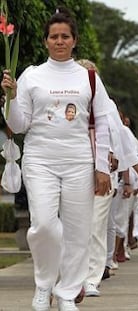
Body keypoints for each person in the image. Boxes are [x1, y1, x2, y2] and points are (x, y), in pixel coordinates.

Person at [0, 8, 113, 311]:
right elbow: (19, 124)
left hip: (78, 160)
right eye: (54, 37)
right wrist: (7, 99)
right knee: (45, 226)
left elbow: (103, 123)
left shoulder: (88, 77)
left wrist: (102, 168)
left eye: (65, 36)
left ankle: (66, 294)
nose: (59, 41)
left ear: (74, 41)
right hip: (40, 159)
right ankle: (43, 286)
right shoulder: (31, 75)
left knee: (78, 231)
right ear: (46, 40)